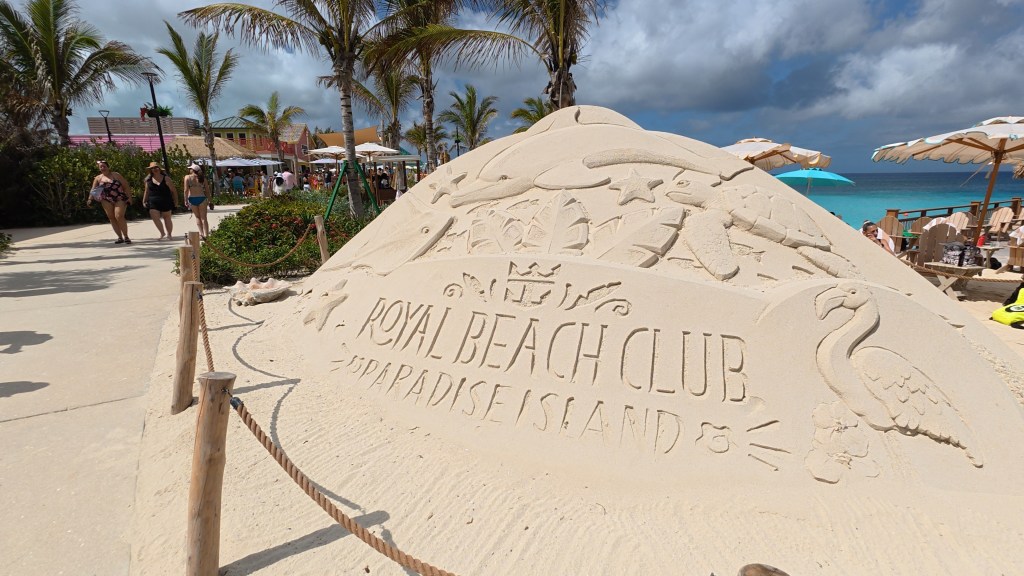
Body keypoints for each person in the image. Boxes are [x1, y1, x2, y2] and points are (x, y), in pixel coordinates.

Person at [88, 159, 133, 244]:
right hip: (106, 199)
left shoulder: (116, 175)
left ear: (108, 167)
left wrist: (129, 198)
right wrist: (90, 199)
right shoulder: (98, 178)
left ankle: (126, 236)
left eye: (104, 166)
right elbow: (93, 190)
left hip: (119, 197)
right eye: (100, 167)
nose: (102, 168)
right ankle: (120, 237)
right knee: (111, 217)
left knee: (119, 216)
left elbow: (126, 186)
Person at [142, 161, 178, 240]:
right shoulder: (148, 180)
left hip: (166, 200)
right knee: (155, 217)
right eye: (152, 168)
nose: (155, 169)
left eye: (156, 167)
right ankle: (162, 232)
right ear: (150, 170)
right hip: (153, 201)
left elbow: (173, 191)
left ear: (160, 169)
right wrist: (144, 201)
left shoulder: (166, 178)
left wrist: (176, 201)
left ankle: (169, 234)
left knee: (167, 218)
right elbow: (146, 191)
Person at [183, 163, 211, 239]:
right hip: (202, 198)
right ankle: (206, 235)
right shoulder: (203, 178)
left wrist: (185, 200)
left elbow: (186, 190)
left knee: (197, 217)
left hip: (192, 198)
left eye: (190, 169)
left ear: (193, 170)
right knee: (204, 218)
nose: (189, 170)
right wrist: (210, 201)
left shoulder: (187, 177)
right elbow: (207, 191)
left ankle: (201, 234)